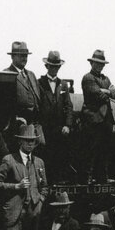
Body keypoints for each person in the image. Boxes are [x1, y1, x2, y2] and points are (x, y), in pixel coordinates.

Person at [79, 49, 115, 183]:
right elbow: (97, 95)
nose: (99, 66)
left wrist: (106, 91)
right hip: (92, 119)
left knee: (104, 151)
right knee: (90, 150)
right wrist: (109, 91)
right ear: (92, 63)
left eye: (101, 64)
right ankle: (87, 178)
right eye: (97, 63)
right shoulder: (88, 78)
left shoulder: (105, 78)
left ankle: (102, 178)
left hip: (106, 120)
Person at [37, 50, 75, 182]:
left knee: (60, 157)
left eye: (57, 67)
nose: (54, 69)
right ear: (47, 66)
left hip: (60, 129)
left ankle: (58, 186)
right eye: (52, 66)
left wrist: (68, 125)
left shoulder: (63, 84)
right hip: (45, 129)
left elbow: (69, 106)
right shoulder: (39, 83)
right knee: (45, 158)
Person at [4, 41, 43, 132]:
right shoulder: (7, 75)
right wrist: (15, 118)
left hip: (36, 124)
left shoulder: (31, 75)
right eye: (21, 55)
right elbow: (4, 103)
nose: (24, 58)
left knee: (41, 145)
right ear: (12, 56)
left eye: (26, 55)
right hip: (18, 125)